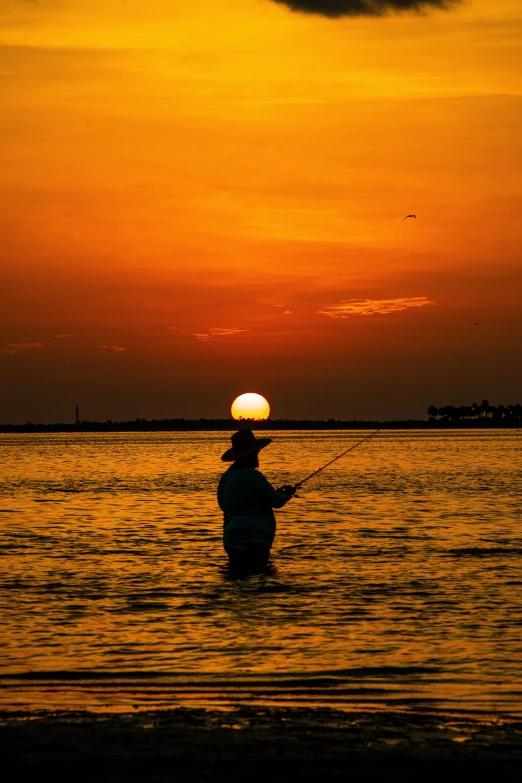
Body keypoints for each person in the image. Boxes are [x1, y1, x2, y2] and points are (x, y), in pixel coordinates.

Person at [217, 429, 295, 570]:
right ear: (251, 454)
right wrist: (286, 494)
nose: (258, 455)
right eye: (256, 453)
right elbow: (277, 501)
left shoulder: (226, 477)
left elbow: (224, 504)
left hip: (231, 540)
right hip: (254, 540)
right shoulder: (253, 476)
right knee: (259, 578)